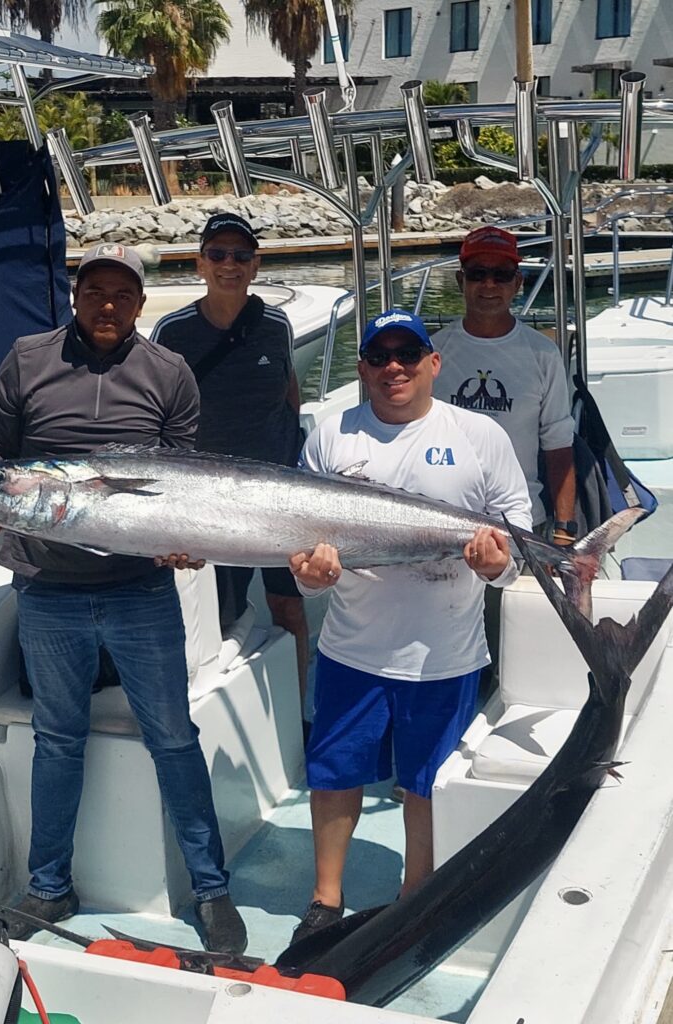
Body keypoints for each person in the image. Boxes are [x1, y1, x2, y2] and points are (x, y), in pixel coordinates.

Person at [0, 243, 246, 955]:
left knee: (173, 737)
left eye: (122, 293)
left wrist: (183, 541)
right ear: (76, 295)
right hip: (48, 590)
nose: (108, 305)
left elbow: (182, 477)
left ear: (140, 303)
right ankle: (49, 884)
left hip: (139, 588)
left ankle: (211, 888)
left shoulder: (167, 372)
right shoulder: (27, 359)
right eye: (95, 291)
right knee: (59, 741)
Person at [288, 309, 532, 944]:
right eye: (378, 356)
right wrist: (309, 577)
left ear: (433, 363)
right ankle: (325, 898)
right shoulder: (331, 435)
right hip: (351, 646)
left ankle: (415, 894)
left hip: (445, 652)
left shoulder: (480, 436)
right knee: (334, 773)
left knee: (425, 781)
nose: (393, 366)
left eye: (407, 353)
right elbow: (300, 540)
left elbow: (514, 532)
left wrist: (496, 567)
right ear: (363, 366)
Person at [153, 212, 310, 733]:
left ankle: (302, 715)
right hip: (209, 500)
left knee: (288, 604)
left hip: (279, 493)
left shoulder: (276, 323)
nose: (229, 265)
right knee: (220, 613)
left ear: (255, 265)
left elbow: (289, 390)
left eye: (241, 256)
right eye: (217, 255)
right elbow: (158, 411)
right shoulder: (172, 331)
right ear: (200, 263)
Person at [431, 225, 577, 544]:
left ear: (518, 283)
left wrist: (565, 529)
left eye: (501, 274)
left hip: (520, 523)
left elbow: (558, 444)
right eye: (477, 273)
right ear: (461, 281)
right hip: (442, 522)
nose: (488, 284)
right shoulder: (431, 353)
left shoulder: (544, 354)